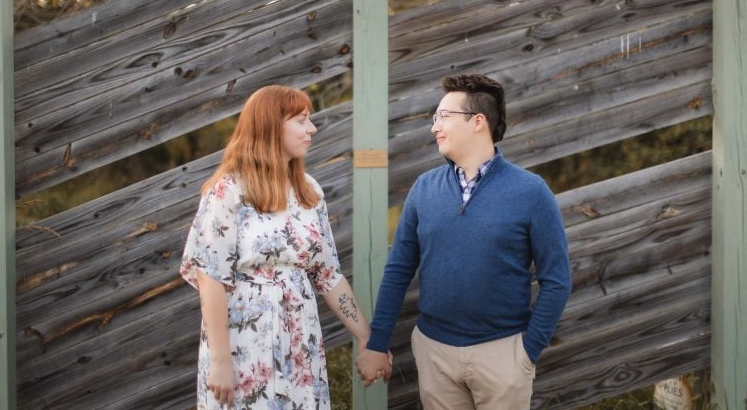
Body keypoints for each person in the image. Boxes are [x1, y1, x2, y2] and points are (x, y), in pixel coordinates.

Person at [356, 74, 572, 409]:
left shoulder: (531, 192)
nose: (434, 127)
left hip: (503, 355)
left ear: (478, 122)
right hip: (434, 353)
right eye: (434, 118)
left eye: (444, 116)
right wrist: (376, 343)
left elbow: (557, 280)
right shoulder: (424, 189)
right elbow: (399, 270)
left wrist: (527, 352)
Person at [180, 85, 381, 409]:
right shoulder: (228, 191)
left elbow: (328, 275)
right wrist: (220, 361)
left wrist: (365, 335)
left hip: (300, 341)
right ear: (271, 126)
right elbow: (210, 278)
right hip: (242, 345)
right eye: (302, 120)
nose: (312, 128)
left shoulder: (309, 192)